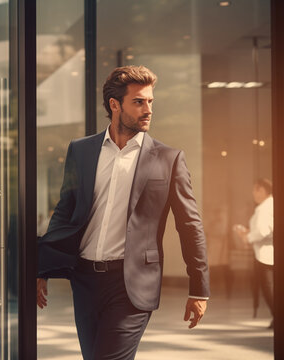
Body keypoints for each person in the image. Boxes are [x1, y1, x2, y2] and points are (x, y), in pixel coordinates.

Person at [37, 65, 210, 360]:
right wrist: (43, 267)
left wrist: (199, 288)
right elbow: (65, 210)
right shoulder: (81, 151)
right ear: (115, 105)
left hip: (132, 285)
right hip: (85, 280)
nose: (148, 109)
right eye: (139, 102)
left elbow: (189, 225)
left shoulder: (169, 160)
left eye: (150, 101)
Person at [235, 179, 274, 329]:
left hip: (265, 254)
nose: (253, 193)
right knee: (268, 287)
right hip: (266, 252)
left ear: (262, 191)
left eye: (255, 190)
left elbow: (264, 231)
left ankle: (278, 315)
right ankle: (277, 316)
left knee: (268, 287)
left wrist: (247, 237)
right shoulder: (267, 206)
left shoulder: (265, 208)